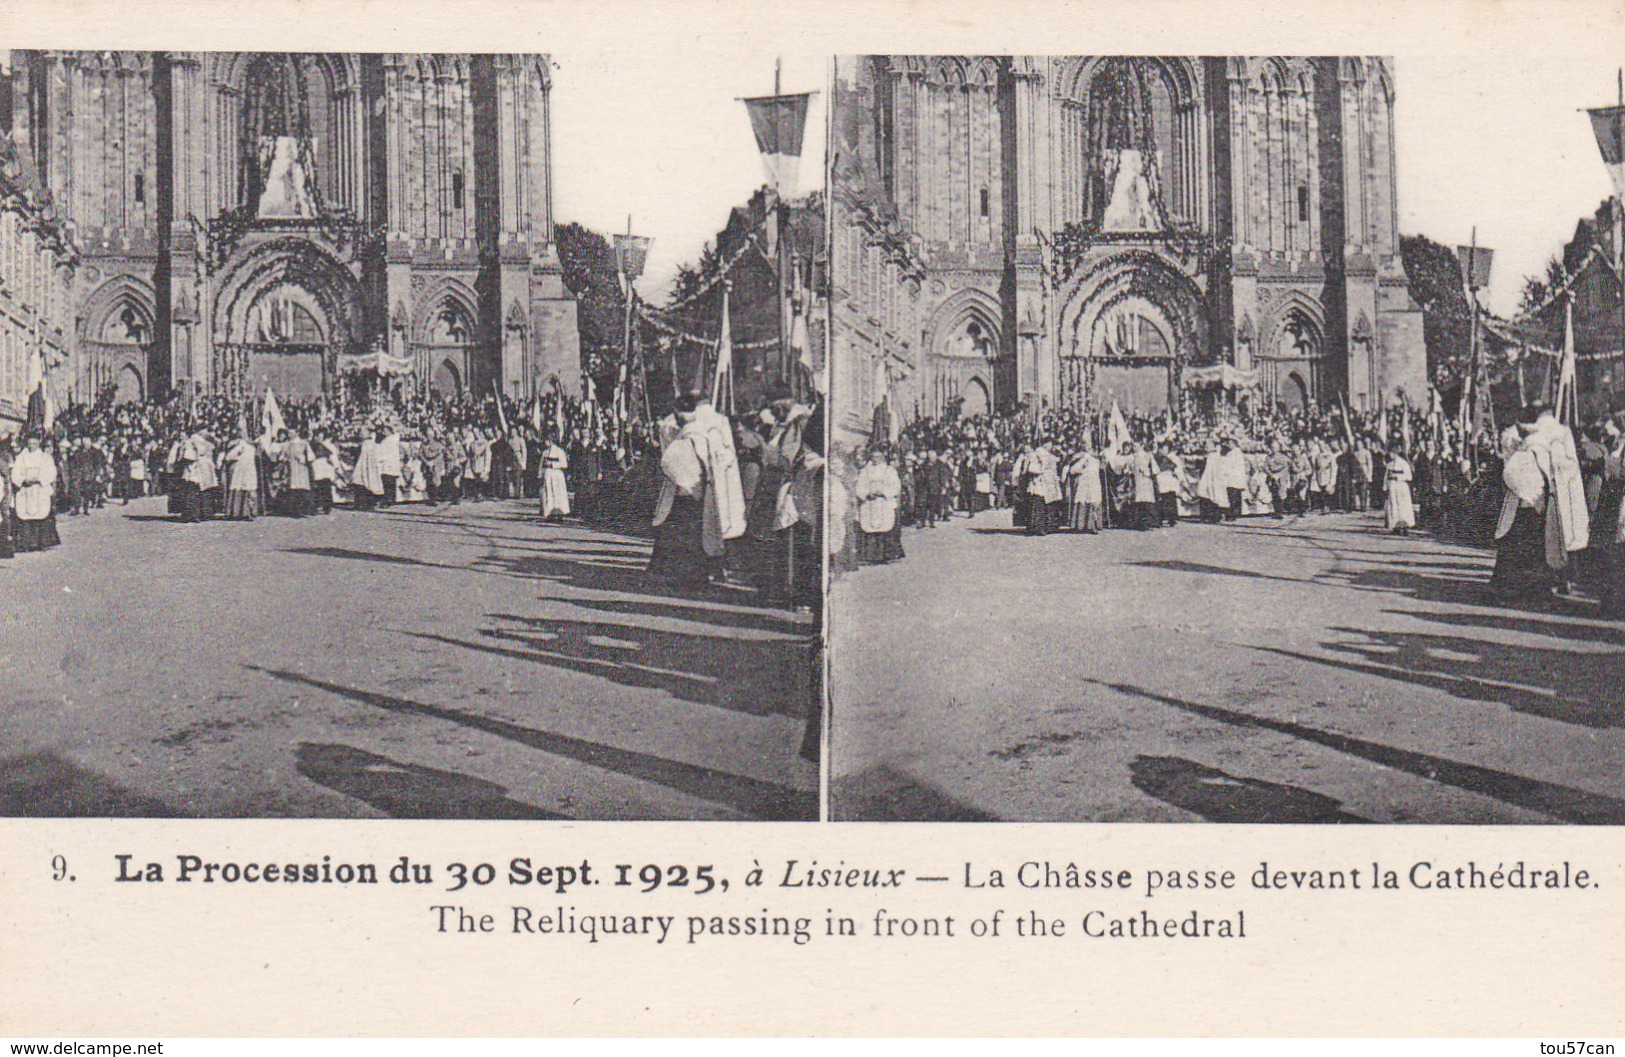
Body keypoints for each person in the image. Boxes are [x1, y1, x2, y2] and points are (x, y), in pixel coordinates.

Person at [648, 390, 746, 588]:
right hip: (708, 489)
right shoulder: (711, 430)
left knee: (688, 533)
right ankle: (706, 571)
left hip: (687, 492)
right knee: (706, 532)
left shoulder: (687, 435)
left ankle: (690, 574)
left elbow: (670, 463)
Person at [11, 434, 61, 552]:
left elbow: (51, 472)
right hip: (26, 489)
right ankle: (27, 543)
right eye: (29, 444)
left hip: (39, 489)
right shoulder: (21, 457)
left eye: (34, 444)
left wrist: (39, 479)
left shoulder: (45, 457)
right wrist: (23, 480)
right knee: (25, 516)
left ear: (38, 443)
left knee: (41, 513)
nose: (31, 446)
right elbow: (16, 472)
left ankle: (42, 542)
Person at [854, 447, 904, 564]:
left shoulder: (889, 470)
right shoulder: (865, 471)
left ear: (882, 457)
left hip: (884, 502)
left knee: (886, 526)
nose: (876, 459)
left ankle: (886, 555)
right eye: (873, 457)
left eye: (878, 457)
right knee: (870, 528)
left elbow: (895, 485)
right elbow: (860, 486)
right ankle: (871, 556)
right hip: (870, 502)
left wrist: (884, 492)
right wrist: (867, 493)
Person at [222, 425, 262, 521]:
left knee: (249, 489)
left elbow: (257, 459)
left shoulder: (253, 448)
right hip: (240, 470)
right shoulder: (238, 446)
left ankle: (248, 512)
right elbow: (228, 457)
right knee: (239, 488)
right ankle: (236, 512)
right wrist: (237, 456)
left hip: (249, 471)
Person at [1023, 437, 1061, 536]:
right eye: (1050, 444)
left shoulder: (1044, 455)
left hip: (1042, 483)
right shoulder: (1040, 454)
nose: (1051, 446)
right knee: (1039, 506)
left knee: (1039, 506)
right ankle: (1038, 528)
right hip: (1039, 483)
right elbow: (1035, 468)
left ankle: (1037, 527)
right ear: (1046, 444)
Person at [1065, 446, 1105, 533]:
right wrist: (1082, 466)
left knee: (1094, 503)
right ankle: (1082, 525)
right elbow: (1072, 470)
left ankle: (1093, 525)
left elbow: (1102, 469)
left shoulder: (1097, 461)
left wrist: (1103, 459)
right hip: (1084, 484)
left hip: (1094, 484)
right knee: (1085, 502)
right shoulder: (1082, 459)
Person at [1384, 446, 1416, 535]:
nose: (1390, 455)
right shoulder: (1389, 464)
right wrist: (1385, 487)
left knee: (1403, 506)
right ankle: (1394, 526)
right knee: (1393, 505)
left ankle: (1404, 525)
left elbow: (1409, 477)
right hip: (1392, 487)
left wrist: (1398, 477)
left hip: (1401, 487)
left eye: (1391, 453)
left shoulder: (1403, 463)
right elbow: (1386, 477)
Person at [540, 435, 571, 520]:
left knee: (557, 493)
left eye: (546, 441)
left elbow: (564, 464)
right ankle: (549, 512)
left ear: (551, 441)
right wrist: (540, 475)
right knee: (548, 493)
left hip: (557, 475)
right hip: (548, 474)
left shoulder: (559, 451)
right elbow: (541, 465)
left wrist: (552, 464)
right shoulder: (545, 452)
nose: (545, 443)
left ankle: (559, 512)